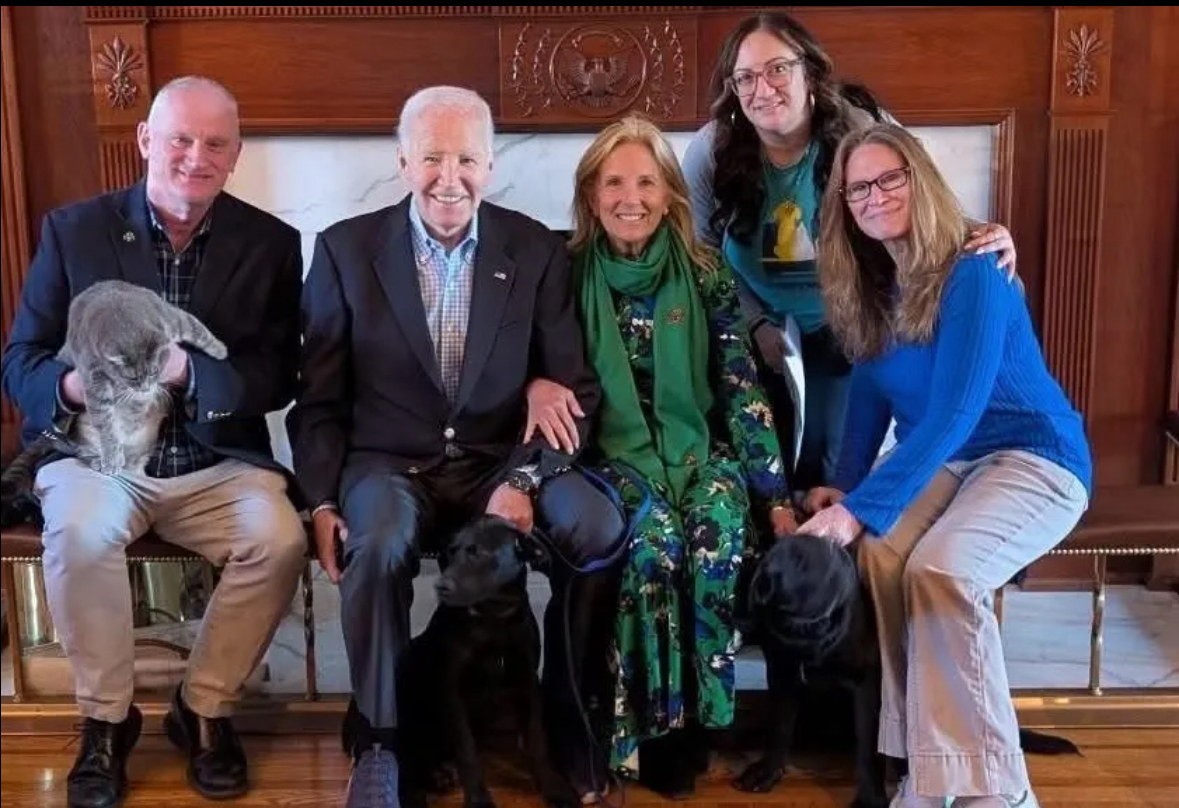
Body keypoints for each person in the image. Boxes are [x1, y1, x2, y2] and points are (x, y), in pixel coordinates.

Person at [285, 85, 625, 808]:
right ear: (403, 160)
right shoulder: (346, 252)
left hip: (502, 459)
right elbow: (317, 402)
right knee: (373, 544)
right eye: (432, 157)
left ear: (491, 164)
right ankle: (381, 739)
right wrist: (317, 499)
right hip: (389, 464)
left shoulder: (535, 250)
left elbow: (576, 391)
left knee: (595, 525)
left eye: (466, 158)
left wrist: (525, 481)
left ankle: (565, 712)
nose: (449, 177)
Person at [0, 76, 308, 807]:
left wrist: (190, 371)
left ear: (234, 155)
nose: (194, 157)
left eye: (214, 144)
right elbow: (22, 358)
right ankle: (106, 723)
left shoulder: (270, 243)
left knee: (281, 537)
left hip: (214, 462)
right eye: (178, 138)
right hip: (99, 458)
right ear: (145, 141)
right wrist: (75, 386)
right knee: (77, 530)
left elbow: (277, 371)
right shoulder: (73, 230)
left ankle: (202, 709)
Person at [797, 121, 1092, 808]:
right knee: (881, 554)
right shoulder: (870, 289)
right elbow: (869, 397)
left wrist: (857, 507)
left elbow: (957, 410)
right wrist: (845, 487)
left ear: (919, 179)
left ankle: (999, 790)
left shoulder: (973, 270)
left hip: (1032, 454)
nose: (873, 196)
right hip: (951, 460)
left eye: (888, 178)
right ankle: (927, 776)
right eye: (857, 187)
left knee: (943, 570)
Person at [529, 114, 798, 798]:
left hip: (698, 452)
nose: (631, 197)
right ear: (591, 195)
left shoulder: (706, 274)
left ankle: (698, 726)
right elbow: (538, 371)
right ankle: (644, 732)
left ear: (670, 193)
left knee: (711, 538)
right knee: (653, 547)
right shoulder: (560, 273)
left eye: (646, 181)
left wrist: (774, 498)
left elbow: (740, 387)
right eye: (614, 182)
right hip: (609, 457)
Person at [681, 11, 1019, 497]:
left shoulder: (858, 128)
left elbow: (921, 202)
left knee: (831, 459)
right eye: (746, 77)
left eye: (777, 69)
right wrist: (754, 322)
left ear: (809, 71)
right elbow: (702, 254)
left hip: (847, 311)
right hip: (755, 315)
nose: (763, 88)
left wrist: (984, 237)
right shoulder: (712, 148)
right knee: (758, 456)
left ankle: (825, 560)